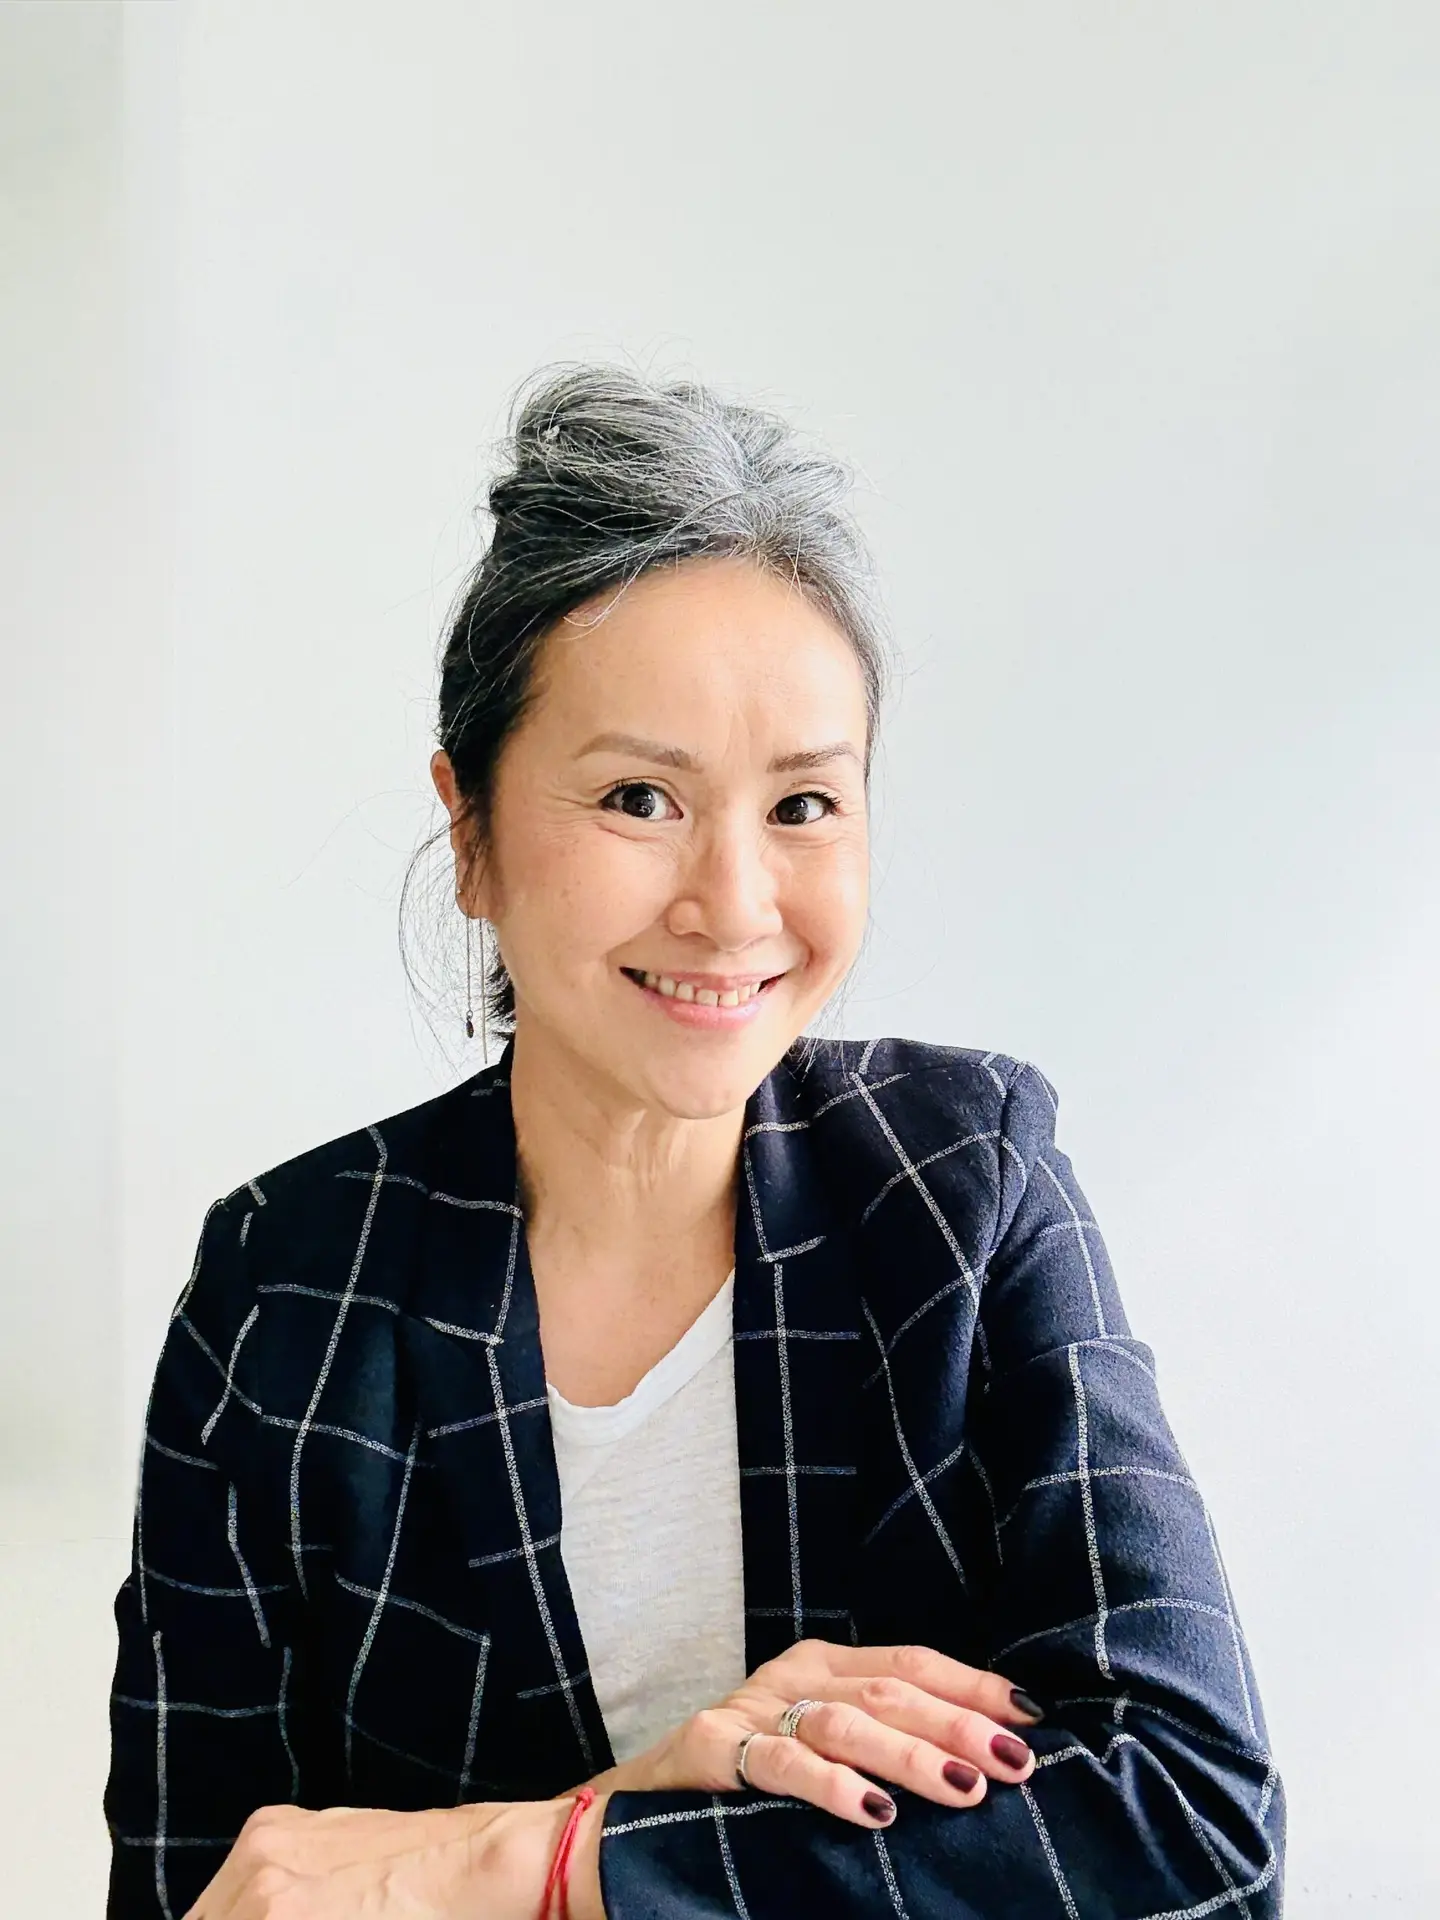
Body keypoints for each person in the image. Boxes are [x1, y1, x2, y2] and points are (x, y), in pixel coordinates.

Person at [104, 364, 1285, 1919]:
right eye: (640, 797)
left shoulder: (961, 1185)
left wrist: (545, 1858)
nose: (733, 907)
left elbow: (1193, 1826)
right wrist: (630, 1804)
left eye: (803, 807)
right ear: (470, 831)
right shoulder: (284, 1288)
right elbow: (219, 1897)